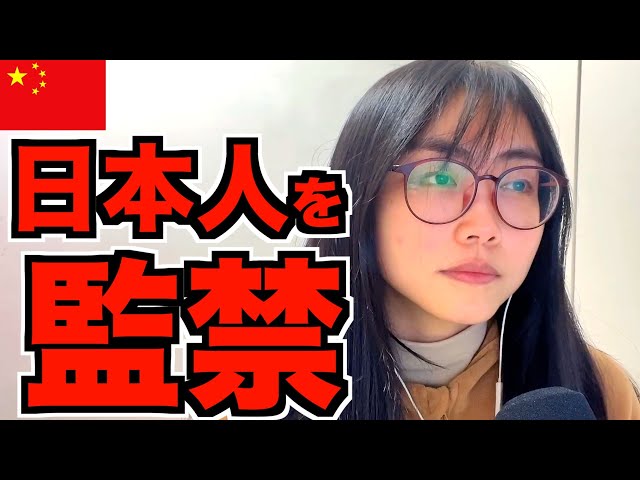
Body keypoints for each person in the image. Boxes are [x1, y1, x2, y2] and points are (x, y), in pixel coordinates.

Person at [302, 60, 640, 420]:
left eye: (518, 183)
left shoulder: (600, 392)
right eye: (440, 177)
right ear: (361, 195)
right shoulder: (271, 380)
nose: (484, 226)